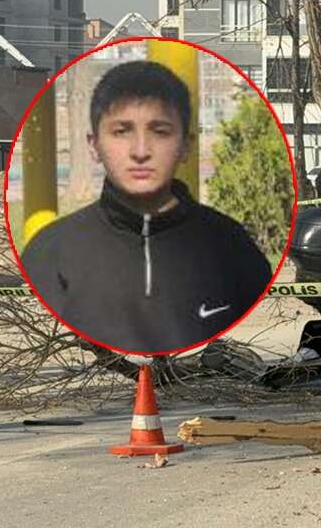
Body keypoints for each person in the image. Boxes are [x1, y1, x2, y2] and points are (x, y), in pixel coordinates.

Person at [21, 61, 273, 354]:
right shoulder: (50, 253)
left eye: (160, 131)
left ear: (186, 144)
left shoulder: (231, 248)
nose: (140, 151)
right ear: (94, 145)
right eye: (121, 131)